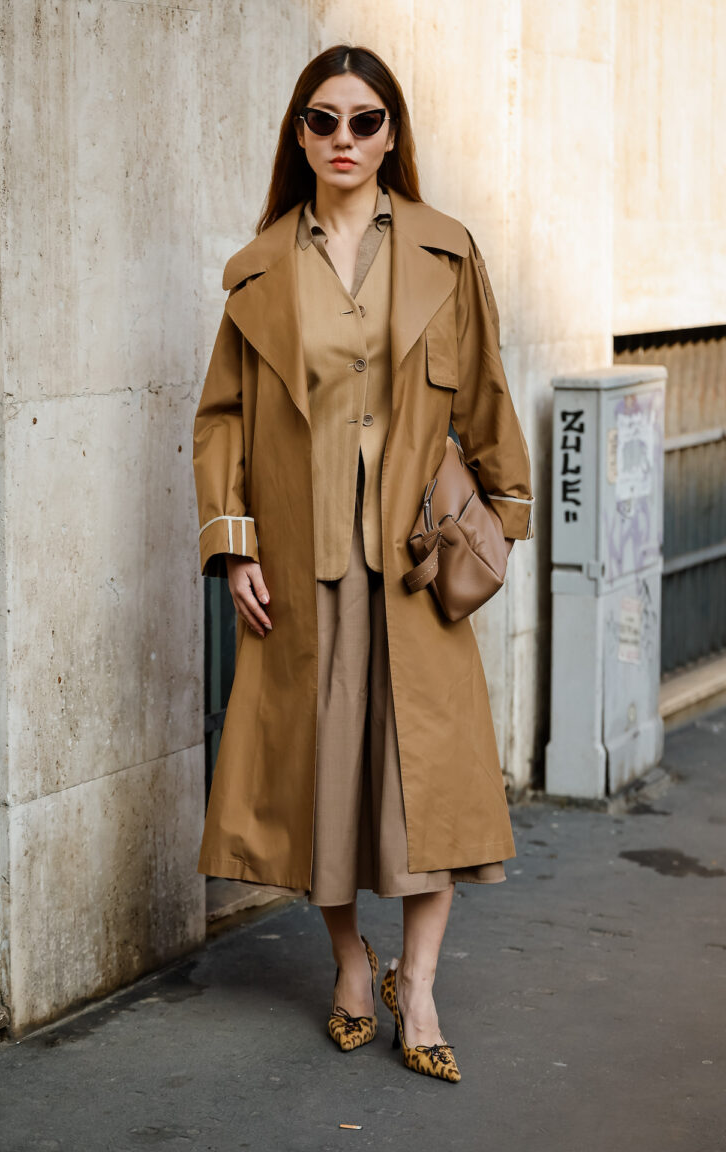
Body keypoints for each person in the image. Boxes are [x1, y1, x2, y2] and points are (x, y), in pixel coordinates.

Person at [192, 44, 534, 1084]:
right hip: (303, 570)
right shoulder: (259, 270)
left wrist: (502, 520)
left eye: (366, 121)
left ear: (394, 135)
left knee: (436, 787)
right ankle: (352, 964)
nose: (345, 139)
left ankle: (417, 984)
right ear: (298, 134)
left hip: (415, 567)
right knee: (320, 783)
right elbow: (221, 421)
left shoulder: (445, 250)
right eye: (325, 120)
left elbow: (485, 394)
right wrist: (232, 546)